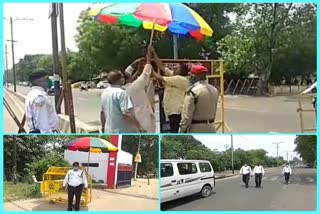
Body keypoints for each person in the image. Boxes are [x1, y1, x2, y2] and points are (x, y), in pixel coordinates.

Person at [151, 47, 189, 133]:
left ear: (181, 71)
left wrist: (148, 66)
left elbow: (159, 77)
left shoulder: (180, 79)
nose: (174, 68)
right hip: (172, 111)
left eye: (176, 67)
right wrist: (154, 53)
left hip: (177, 112)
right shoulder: (173, 75)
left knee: (176, 132)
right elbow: (161, 66)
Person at [122, 48, 155, 133]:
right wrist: (148, 59)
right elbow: (145, 74)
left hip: (135, 121)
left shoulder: (125, 88)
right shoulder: (135, 86)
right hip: (143, 120)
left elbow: (130, 75)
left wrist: (136, 65)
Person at [178, 65, 219, 133]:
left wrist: (181, 131)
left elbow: (186, 117)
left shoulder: (193, 91)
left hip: (197, 128)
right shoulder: (214, 89)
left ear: (196, 76)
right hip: (211, 127)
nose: (190, 77)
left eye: (191, 75)